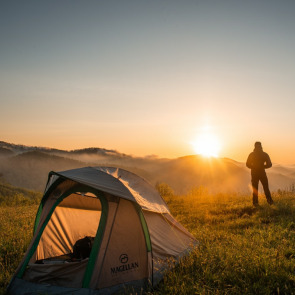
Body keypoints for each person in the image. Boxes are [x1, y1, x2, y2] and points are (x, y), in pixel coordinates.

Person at [246, 142, 274, 206]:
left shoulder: (252, 154)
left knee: (255, 189)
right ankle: (270, 202)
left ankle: (255, 203)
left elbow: (247, 164)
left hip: (254, 173)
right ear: (261, 146)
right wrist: (263, 166)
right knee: (266, 188)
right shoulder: (264, 154)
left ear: (254, 146)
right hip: (262, 173)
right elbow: (270, 164)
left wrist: (253, 167)